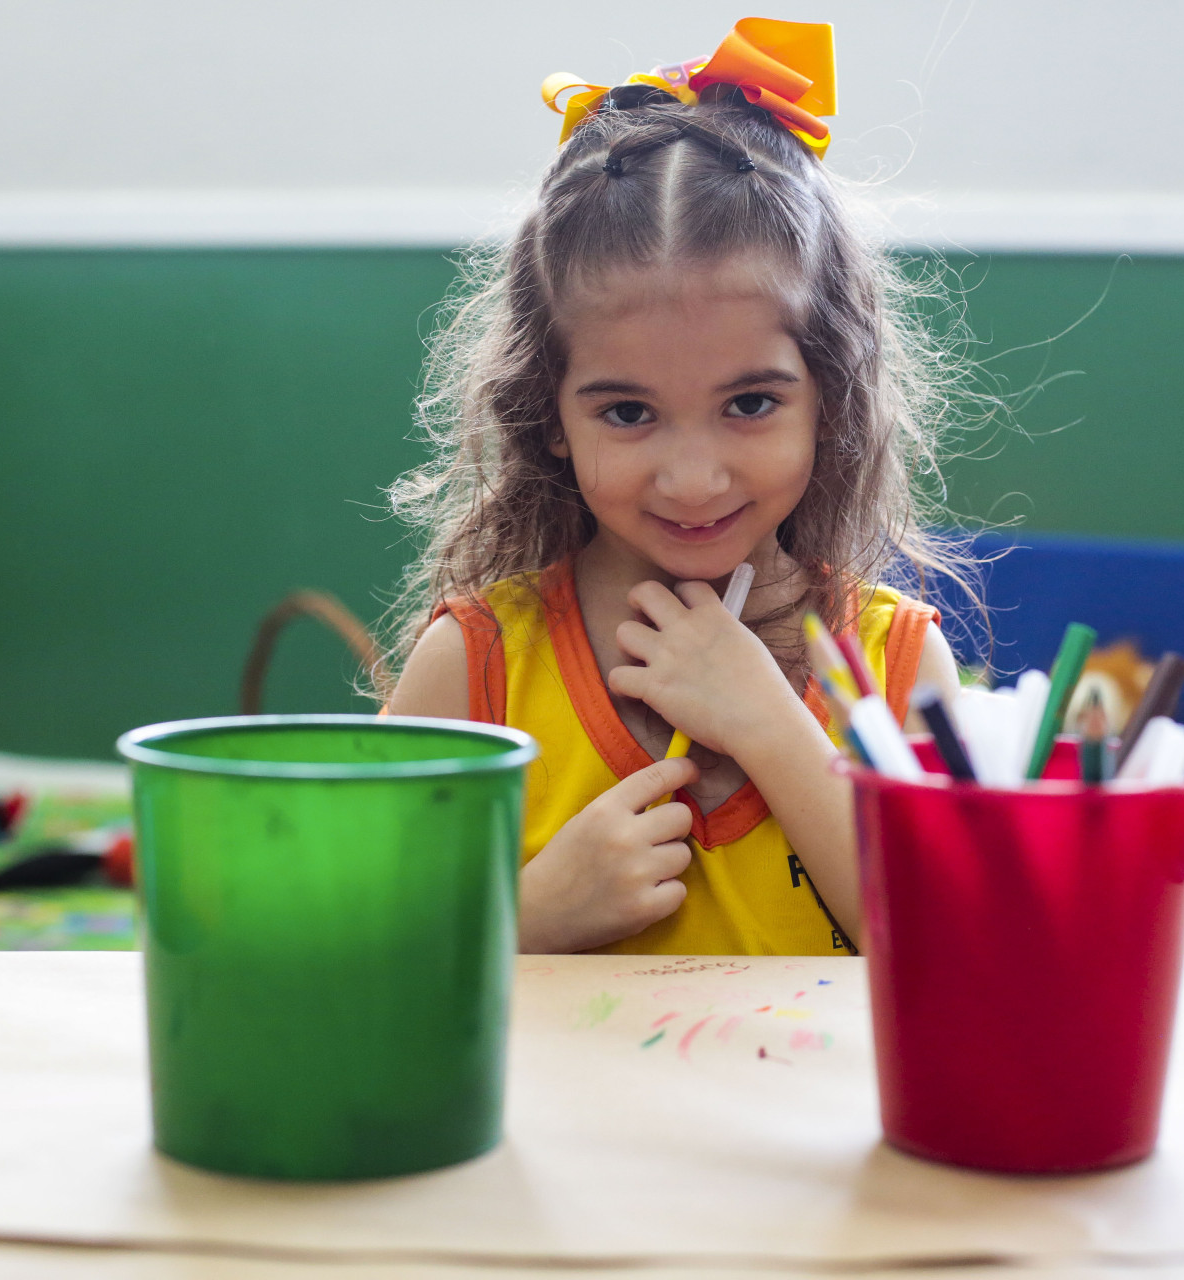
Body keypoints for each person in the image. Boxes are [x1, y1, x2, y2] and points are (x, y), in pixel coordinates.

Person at [382, 20, 972, 959]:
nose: (694, 479)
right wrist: (521, 924)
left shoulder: (892, 669)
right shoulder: (476, 667)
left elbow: (959, 961)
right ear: (548, 417)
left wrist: (774, 730)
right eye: (627, 413)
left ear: (832, 396)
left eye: (749, 402)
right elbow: (358, 967)